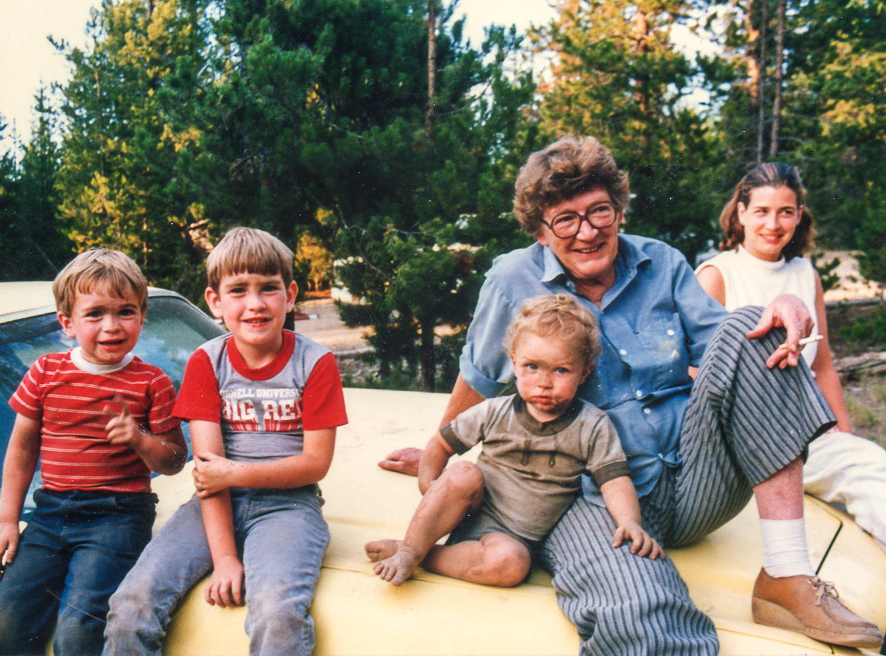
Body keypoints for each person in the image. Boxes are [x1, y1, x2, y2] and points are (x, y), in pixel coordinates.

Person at [379, 136, 883, 654]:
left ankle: (785, 575)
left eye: (600, 211)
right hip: (591, 497)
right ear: (540, 230)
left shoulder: (660, 262)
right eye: (566, 220)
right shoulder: (513, 279)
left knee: (758, 325)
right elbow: (480, 377)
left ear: (619, 209)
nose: (588, 231)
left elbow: (732, 351)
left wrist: (780, 306)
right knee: (641, 618)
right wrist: (441, 450)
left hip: (698, 477)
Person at [103, 227, 348, 656]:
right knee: (131, 603)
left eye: (268, 289)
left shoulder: (316, 362)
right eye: (238, 290)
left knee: (277, 613)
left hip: (288, 507)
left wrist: (235, 473)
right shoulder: (206, 362)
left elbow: (314, 463)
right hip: (211, 505)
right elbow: (208, 470)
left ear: (290, 295)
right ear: (215, 302)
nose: (255, 304)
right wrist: (225, 559)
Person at [367, 294, 663, 588]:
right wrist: (429, 487)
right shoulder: (495, 411)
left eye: (561, 370)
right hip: (472, 508)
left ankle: (420, 555)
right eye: (532, 366)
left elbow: (615, 481)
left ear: (584, 372)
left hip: (509, 540)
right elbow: (441, 444)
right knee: (463, 473)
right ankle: (411, 549)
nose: (544, 382)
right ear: (515, 363)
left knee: (512, 565)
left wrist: (629, 522)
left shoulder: (592, 425)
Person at [0, 249, 187, 656]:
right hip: (50, 513)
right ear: (67, 323)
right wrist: (7, 522)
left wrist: (141, 439)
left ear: (143, 317)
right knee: (1, 633)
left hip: (118, 516)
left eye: (125, 311)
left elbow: (175, 459)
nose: (111, 326)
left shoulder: (152, 382)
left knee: (78, 632)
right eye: (94, 314)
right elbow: (21, 449)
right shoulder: (45, 372)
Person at [696, 162, 886, 552]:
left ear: (799, 216)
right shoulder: (718, 274)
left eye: (786, 211)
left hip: (808, 432)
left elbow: (822, 365)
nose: (774, 223)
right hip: (742, 435)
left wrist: (843, 435)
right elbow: (693, 370)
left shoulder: (805, 274)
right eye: (762, 211)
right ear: (741, 213)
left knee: (868, 466)